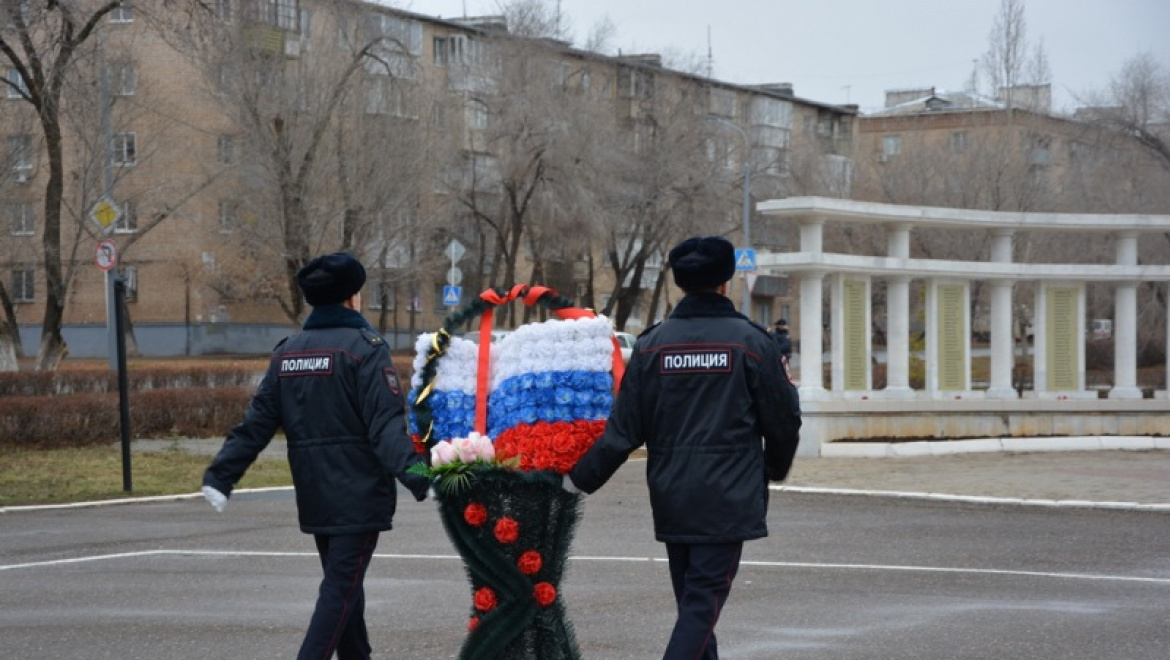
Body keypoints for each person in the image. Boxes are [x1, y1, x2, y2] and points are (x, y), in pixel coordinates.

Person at [565, 236, 802, 660]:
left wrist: (577, 478)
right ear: (726, 281)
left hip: (673, 493)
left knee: (695, 606)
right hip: (728, 498)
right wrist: (771, 469)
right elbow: (784, 420)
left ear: (679, 283)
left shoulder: (653, 345)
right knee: (700, 606)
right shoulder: (751, 343)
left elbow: (624, 430)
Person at [202, 252, 429, 660]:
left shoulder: (288, 352)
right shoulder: (365, 349)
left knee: (344, 588)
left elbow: (256, 424)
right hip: (358, 495)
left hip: (315, 493)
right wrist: (419, 474)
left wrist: (221, 475)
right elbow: (386, 425)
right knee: (339, 593)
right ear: (352, 298)